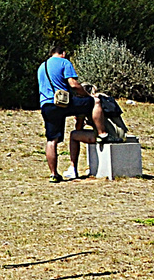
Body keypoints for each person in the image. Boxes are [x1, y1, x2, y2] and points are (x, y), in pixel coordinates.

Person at [38, 44, 110, 183]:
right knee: (94, 102)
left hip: (46, 105)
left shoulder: (42, 67)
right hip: (61, 102)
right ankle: (102, 133)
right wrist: (87, 95)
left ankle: (54, 174)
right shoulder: (64, 62)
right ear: (63, 53)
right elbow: (73, 84)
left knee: (51, 140)